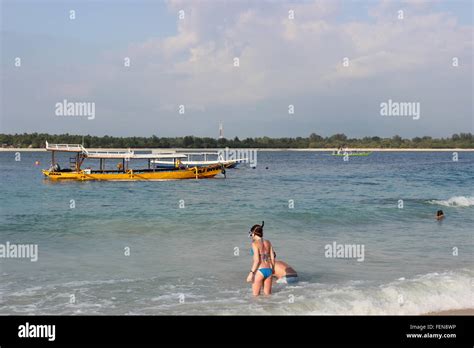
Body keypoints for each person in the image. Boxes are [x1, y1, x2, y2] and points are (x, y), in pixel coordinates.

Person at [246, 222, 275, 296]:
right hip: (269, 270)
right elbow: (272, 257)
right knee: (268, 296)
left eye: (250, 233)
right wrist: (272, 269)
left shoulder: (254, 243)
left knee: (255, 296)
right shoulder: (268, 242)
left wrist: (251, 273)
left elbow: (257, 260)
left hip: (259, 271)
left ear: (253, 233)